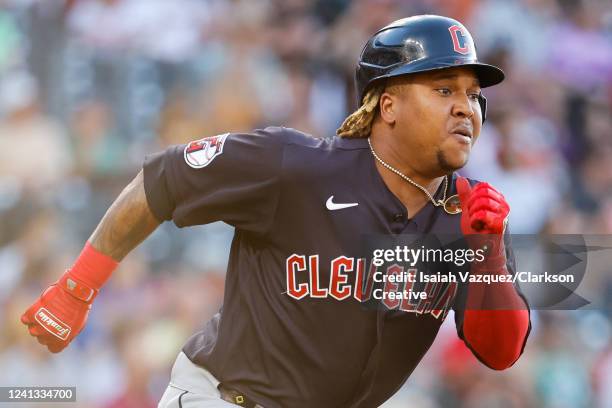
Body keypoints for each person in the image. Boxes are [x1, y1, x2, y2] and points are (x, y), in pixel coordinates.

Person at [21, 15, 530, 408]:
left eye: (474, 95)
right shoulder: (296, 166)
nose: (467, 107)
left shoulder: (474, 215)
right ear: (387, 104)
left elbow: (501, 352)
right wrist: (77, 287)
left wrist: (485, 251)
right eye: (444, 90)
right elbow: (162, 182)